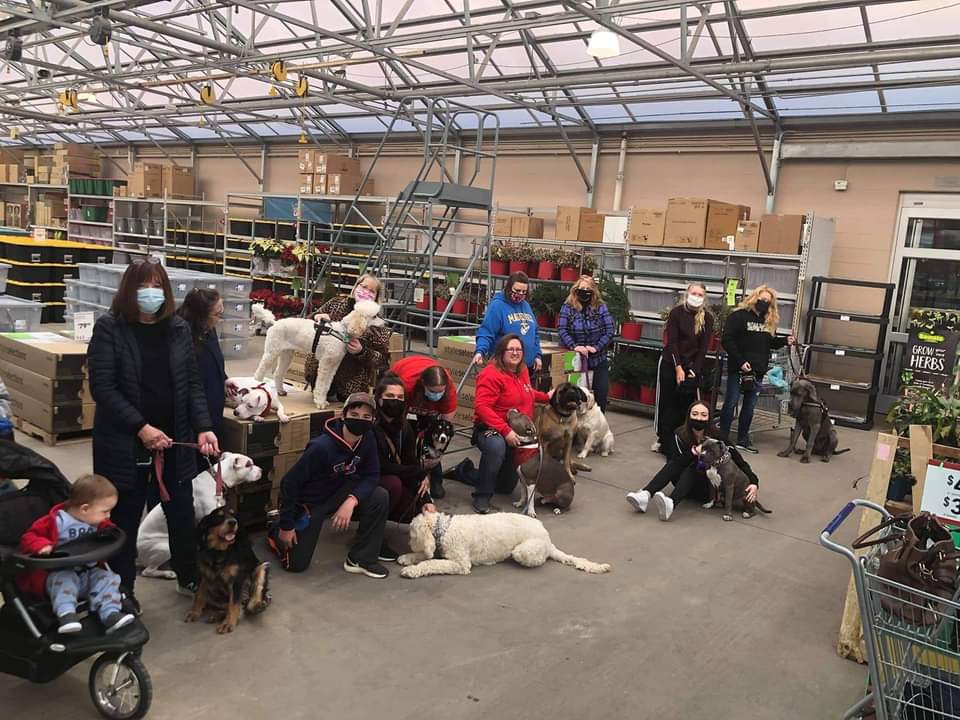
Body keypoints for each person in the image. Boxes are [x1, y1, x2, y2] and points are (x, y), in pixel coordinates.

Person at [87, 258, 219, 612]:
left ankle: (188, 577)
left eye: (157, 285)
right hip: (125, 442)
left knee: (180, 511)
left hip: (174, 440)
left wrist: (204, 426)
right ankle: (121, 589)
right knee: (125, 517)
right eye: (143, 286)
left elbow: (192, 385)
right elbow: (103, 388)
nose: (150, 293)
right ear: (129, 290)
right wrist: (141, 428)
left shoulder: (176, 329)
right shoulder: (109, 329)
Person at [269, 392, 391, 578]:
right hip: (312, 502)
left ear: (373, 420)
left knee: (379, 495)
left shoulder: (368, 438)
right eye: (355, 415)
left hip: (341, 491)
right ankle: (275, 528)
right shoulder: (321, 447)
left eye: (367, 417)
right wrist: (286, 526)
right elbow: (289, 484)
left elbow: (372, 475)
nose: (361, 421)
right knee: (296, 564)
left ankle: (361, 558)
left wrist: (351, 501)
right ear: (343, 415)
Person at [17, 474, 134, 635]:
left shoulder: (97, 522)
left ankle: (110, 614)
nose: (108, 516)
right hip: (58, 573)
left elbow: (109, 529)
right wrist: (42, 545)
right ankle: (66, 615)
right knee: (64, 579)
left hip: (88, 572)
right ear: (84, 509)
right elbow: (28, 538)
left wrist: (110, 533)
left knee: (107, 578)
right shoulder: (55, 522)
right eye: (105, 511)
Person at [453, 334, 550, 514]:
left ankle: (463, 471)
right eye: (510, 349)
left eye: (519, 349)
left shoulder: (522, 370)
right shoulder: (491, 374)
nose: (515, 353)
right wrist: (505, 431)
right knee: (496, 447)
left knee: (505, 487)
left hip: (517, 432)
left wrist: (547, 397)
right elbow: (482, 407)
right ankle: (482, 496)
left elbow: (528, 392)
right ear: (501, 352)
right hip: (491, 429)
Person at [625, 400, 760, 521]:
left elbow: (740, 461)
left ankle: (671, 503)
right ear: (689, 416)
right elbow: (673, 461)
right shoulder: (680, 434)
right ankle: (646, 494)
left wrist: (753, 482)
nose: (699, 418)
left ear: (709, 418)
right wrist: (694, 451)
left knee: (698, 463)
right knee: (681, 462)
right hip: (681, 482)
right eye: (695, 414)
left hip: (709, 488)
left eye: (703, 415)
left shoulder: (718, 438)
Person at [719, 284, 795, 454]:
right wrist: (740, 361)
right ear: (754, 298)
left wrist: (785, 341)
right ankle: (721, 438)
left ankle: (742, 439)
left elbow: (769, 343)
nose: (764, 303)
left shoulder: (768, 321)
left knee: (749, 406)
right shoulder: (738, 316)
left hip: (758, 371)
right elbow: (727, 340)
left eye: (768, 301)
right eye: (762, 299)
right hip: (738, 369)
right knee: (730, 403)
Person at [313, 273, 392, 401]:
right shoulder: (335, 304)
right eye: (363, 287)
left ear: (376, 297)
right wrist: (318, 318)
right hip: (320, 372)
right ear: (356, 286)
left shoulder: (377, 323)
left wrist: (362, 352)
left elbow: (382, 360)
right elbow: (310, 321)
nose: (366, 292)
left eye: (371, 291)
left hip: (349, 384)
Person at [372, 374, 438, 526]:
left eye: (400, 397)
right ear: (379, 399)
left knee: (418, 512)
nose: (395, 400)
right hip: (371, 481)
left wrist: (426, 500)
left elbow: (410, 461)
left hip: (396, 477)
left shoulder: (405, 427)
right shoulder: (370, 425)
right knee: (393, 484)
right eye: (390, 396)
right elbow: (382, 466)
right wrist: (418, 472)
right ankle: (373, 532)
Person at [655, 282, 714, 453]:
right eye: (693, 293)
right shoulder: (676, 313)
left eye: (700, 294)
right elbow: (672, 342)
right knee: (667, 403)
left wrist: (694, 370)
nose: (696, 296)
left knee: (688, 405)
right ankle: (663, 439)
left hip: (692, 365)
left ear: (704, 298)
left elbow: (703, 348)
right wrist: (678, 367)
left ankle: (685, 440)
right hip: (671, 363)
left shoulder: (707, 318)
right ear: (687, 294)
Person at [388, 354, 456, 498]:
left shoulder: (449, 391)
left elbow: (446, 428)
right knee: (404, 435)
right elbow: (394, 421)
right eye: (433, 391)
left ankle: (436, 479)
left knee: (433, 436)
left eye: (440, 392)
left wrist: (438, 455)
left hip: (428, 407)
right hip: (404, 377)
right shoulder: (407, 385)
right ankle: (405, 474)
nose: (437, 395)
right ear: (423, 385)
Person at [557, 275, 615, 412]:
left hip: (598, 358)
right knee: (574, 398)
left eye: (588, 288)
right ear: (576, 289)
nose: (585, 291)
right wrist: (574, 346)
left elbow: (610, 330)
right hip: (575, 359)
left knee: (600, 397)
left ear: (594, 291)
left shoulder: (601, 307)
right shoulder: (567, 307)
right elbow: (562, 329)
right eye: (582, 288)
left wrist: (596, 347)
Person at [177, 288, 226, 439]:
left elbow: (215, 361)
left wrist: (224, 380)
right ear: (200, 316)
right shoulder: (182, 338)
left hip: (212, 412)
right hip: (192, 419)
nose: (220, 319)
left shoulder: (209, 331)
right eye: (217, 315)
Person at [473, 271, 543, 375]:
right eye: (517, 290)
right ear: (509, 288)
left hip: (525, 368)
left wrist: (537, 355)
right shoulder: (497, 306)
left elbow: (534, 333)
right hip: (504, 368)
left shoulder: (526, 305)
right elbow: (487, 332)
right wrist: (480, 351)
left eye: (524, 292)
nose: (520, 294)